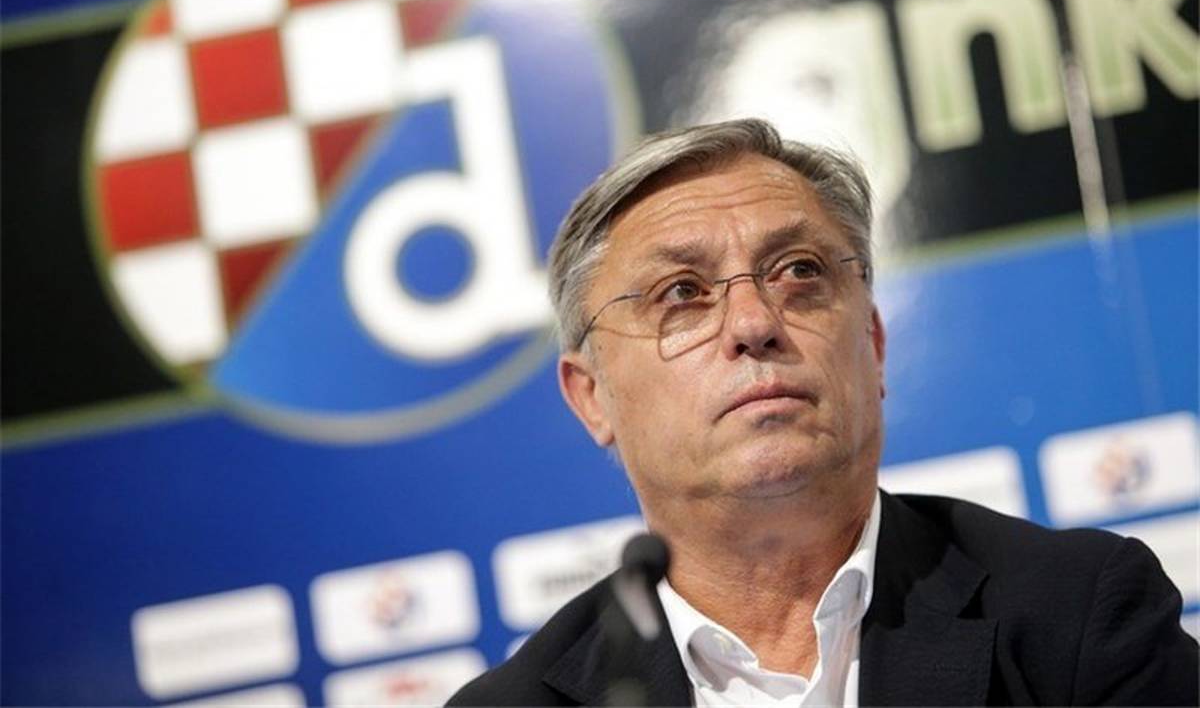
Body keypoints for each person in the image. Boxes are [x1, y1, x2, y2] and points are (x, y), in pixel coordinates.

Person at [448, 118, 1198, 706]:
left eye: (799, 271)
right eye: (682, 292)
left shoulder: (1077, 612)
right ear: (592, 396)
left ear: (873, 342)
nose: (754, 323)